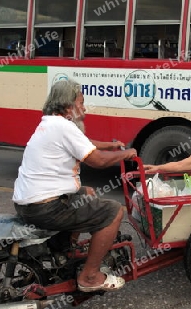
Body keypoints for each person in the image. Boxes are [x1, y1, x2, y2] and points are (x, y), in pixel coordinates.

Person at [12, 79, 137, 293]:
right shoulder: (63, 126)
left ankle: (63, 250)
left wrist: (111, 144)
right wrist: (125, 153)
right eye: (81, 102)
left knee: (87, 193)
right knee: (113, 211)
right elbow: (96, 160)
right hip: (46, 207)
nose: (84, 108)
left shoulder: (51, 123)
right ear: (68, 105)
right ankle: (89, 276)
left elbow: (82, 141)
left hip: (30, 201)